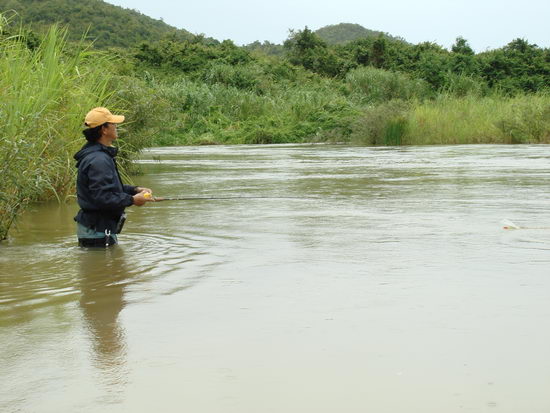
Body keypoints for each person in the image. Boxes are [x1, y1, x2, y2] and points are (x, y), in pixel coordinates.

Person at [74, 107, 153, 247]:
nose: (116, 127)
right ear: (103, 129)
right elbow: (103, 197)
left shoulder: (97, 155)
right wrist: (133, 200)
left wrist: (135, 190)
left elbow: (109, 188)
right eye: (113, 124)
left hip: (95, 228)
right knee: (101, 268)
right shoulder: (99, 160)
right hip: (97, 231)